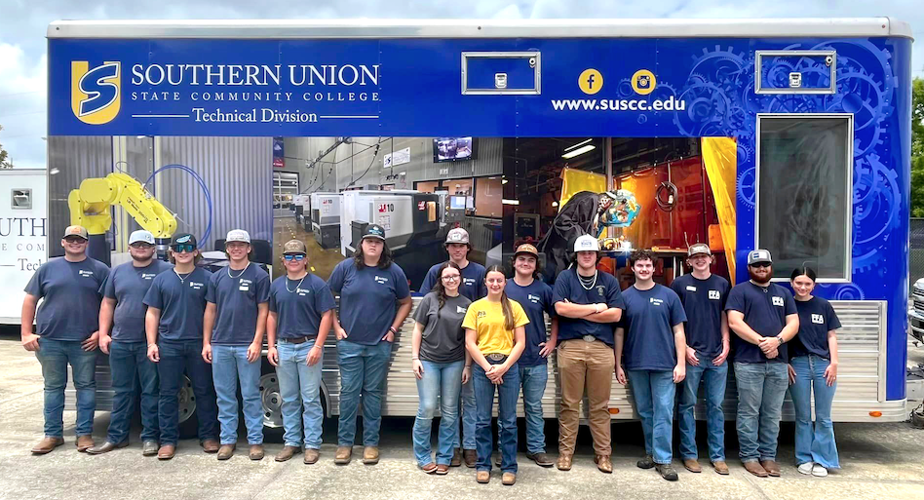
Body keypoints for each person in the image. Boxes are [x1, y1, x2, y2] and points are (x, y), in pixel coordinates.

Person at [21, 225, 110, 454]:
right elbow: (30, 300)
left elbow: (109, 304)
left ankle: (84, 434)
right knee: (53, 388)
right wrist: (26, 333)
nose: (75, 243)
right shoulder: (48, 268)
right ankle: (52, 435)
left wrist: (101, 332)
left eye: (79, 239)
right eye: (70, 239)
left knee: (86, 387)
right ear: (63, 242)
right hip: (50, 341)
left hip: (84, 341)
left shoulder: (100, 270)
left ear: (86, 243)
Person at [329, 224, 412, 465]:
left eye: (378, 241)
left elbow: (405, 302)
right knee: (349, 395)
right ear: (361, 244)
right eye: (369, 241)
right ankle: (345, 444)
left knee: (373, 396)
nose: (373, 245)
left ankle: (370, 444)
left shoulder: (393, 271)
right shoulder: (345, 268)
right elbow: (327, 297)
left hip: (379, 345)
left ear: (383, 245)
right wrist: (337, 327)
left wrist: (393, 329)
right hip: (350, 344)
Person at [89, 230, 172, 456]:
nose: (141, 248)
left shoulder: (166, 271)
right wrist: (104, 333)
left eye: (146, 245)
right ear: (129, 247)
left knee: (150, 392)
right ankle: (117, 437)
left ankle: (150, 437)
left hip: (151, 343)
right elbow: (108, 303)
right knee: (122, 391)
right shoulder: (117, 272)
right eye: (137, 245)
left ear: (154, 249)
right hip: (121, 341)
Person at [143, 233, 219, 460]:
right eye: (179, 248)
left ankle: (208, 436)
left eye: (188, 247)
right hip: (169, 344)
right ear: (172, 253)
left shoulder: (208, 278)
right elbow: (152, 313)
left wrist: (207, 342)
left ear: (196, 252)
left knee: (205, 391)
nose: (183, 252)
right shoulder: (161, 280)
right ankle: (167, 440)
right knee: (167, 393)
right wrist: (151, 343)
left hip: (198, 344)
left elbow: (212, 311)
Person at [552, 235, 624, 473]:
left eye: (591, 252)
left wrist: (576, 311)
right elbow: (560, 309)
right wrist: (595, 308)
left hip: (602, 349)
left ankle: (603, 454)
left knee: (599, 406)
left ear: (596, 255)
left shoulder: (609, 280)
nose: (586, 256)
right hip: (570, 347)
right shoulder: (565, 278)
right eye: (582, 253)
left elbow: (615, 315)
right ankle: (565, 454)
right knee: (569, 404)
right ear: (576, 255)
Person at [725, 249, 799, 478]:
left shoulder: (784, 293)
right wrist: (762, 343)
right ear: (749, 268)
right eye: (756, 265)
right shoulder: (739, 291)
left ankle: (768, 456)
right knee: (749, 412)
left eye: (765, 265)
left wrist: (777, 341)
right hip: (748, 362)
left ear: (771, 266)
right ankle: (749, 457)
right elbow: (734, 322)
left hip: (778, 363)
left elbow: (794, 323)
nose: (761, 269)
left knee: (772, 412)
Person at [615, 249, 687, 481]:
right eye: (640, 266)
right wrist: (618, 364)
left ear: (654, 268)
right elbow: (619, 334)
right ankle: (651, 452)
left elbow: (679, 332)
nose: (644, 269)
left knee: (664, 412)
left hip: (665, 365)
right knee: (645, 412)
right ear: (632, 268)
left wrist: (681, 363)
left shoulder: (669, 296)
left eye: (648, 265)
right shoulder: (624, 298)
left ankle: (663, 460)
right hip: (636, 364)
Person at [418, 227, 485, 467]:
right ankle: (453, 448)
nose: (457, 249)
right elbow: (426, 304)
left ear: (468, 248)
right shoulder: (436, 271)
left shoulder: (479, 272)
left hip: (470, 349)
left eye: (461, 245)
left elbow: (487, 305)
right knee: (449, 404)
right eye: (452, 245)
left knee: (470, 400)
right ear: (447, 248)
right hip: (439, 353)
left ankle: (470, 447)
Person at [203, 229, 271, 461]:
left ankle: (255, 442)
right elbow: (210, 310)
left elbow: (264, 311)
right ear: (227, 249)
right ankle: (228, 440)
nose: (236, 249)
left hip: (246, 346)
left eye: (241, 244)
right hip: (220, 344)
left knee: (251, 395)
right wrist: (207, 342)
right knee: (224, 396)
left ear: (249, 248)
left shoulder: (259, 275)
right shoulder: (217, 277)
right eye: (232, 245)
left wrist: (256, 341)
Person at [267, 240, 336, 464]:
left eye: (298, 256)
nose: (293, 260)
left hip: (309, 346)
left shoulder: (317, 285)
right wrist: (272, 346)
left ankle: (313, 445)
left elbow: (327, 315)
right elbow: (272, 316)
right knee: (288, 399)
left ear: (306, 260)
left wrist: (318, 345)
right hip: (284, 346)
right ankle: (292, 443)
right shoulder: (277, 285)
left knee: (311, 399)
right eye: (289, 256)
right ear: (283, 261)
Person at [463, 265, 528, 486]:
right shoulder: (475, 307)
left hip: (508, 366)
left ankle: (509, 467)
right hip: (484, 366)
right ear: (485, 282)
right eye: (491, 280)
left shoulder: (515, 307)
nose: (495, 284)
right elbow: (470, 342)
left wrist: (504, 367)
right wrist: (488, 368)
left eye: (499, 280)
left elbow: (521, 342)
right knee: (482, 419)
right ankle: (483, 465)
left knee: (508, 420)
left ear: (505, 282)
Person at [669, 243, 731, 475]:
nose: (700, 260)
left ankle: (718, 457)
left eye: (704, 256)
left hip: (717, 357)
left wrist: (726, 344)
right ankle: (690, 455)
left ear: (710, 259)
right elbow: (674, 320)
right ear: (689, 261)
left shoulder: (722, 284)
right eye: (696, 257)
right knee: (687, 406)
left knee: (716, 407)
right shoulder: (679, 285)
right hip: (692, 355)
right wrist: (685, 349)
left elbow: (725, 316)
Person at [411, 262, 472, 474]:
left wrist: (467, 365)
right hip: (428, 360)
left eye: (455, 276)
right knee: (427, 408)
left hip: (454, 362)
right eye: (447, 276)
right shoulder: (429, 299)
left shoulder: (467, 304)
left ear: (460, 278)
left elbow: (468, 339)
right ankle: (422, 456)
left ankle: (445, 456)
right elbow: (417, 330)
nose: (451, 279)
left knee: (449, 412)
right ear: (441, 280)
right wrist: (414, 358)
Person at [504, 243, 558, 467]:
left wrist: (553, 341)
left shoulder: (543, 290)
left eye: (531, 260)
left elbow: (556, 317)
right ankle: (506, 452)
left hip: (536, 359)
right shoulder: (503, 287)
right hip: (508, 359)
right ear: (514, 262)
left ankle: (536, 449)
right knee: (507, 409)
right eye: (521, 259)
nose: (525, 263)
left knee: (534, 406)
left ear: (536, 265)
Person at [789, 266, 840, 477]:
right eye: (799, 283)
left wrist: (834, 362)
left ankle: (823, 460)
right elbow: (781, 335)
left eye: (807, 284)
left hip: (822, 365)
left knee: (823, 416)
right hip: (798, 365)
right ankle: (804, 458)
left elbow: (831, 336)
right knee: (802, 416)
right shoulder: (787, 305)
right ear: (792, 283)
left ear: (814, 285)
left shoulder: (823, 305)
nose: (802, 287)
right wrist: (785, 362)